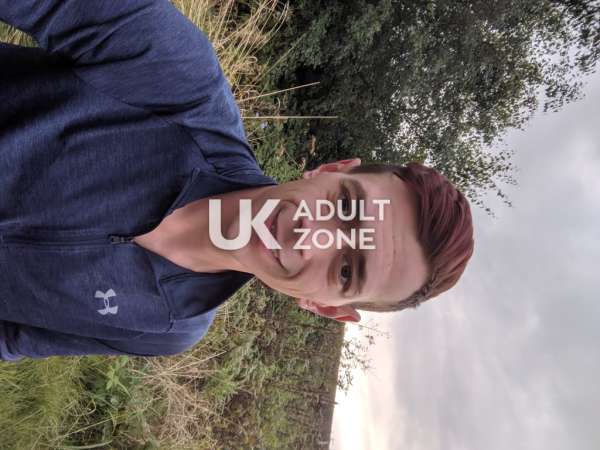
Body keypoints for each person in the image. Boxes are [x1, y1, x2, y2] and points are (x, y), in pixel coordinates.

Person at [0, 0, 474, 361]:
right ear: (332, 170)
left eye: (347, 270)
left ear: (326, 306)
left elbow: (12, 340)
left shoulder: (171, 328)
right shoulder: (180, 83)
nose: (311, 236)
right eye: (346, 208)